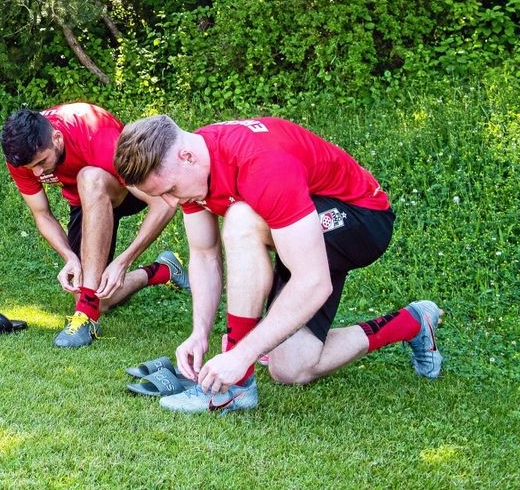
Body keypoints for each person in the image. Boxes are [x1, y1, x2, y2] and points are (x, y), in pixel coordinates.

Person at [113, 115, 442, 413]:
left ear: (187, 157)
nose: (171, 202)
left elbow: (313, 282)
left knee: (242, 219)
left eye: (170, 191)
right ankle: (412, 322)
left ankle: (237, 385)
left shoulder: (262, 165)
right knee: (290, 368)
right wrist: (199, 333)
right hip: (296, 225)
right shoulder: (192, 172)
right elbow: (203, 253)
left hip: (361, 219)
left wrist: (241, 356)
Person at [0, 105, 184, 348]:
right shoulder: (21, 153)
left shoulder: (96, 135)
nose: (38, 172)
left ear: (56, 137)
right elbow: (42, 214)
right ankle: (162, 270)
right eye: (31, 168)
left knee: (89, 177)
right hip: (86, 202)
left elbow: (164, 203)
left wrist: (124, 261)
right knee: (96, 296)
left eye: (42, 162)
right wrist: (69, 257)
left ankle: (86, 317)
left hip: (127, 186)